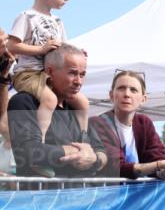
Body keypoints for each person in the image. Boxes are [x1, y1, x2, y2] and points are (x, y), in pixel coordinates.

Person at [7, 0, 88, 156]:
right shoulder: (26, 17)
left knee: (83, 102)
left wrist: (78, 53)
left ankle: (83, 139)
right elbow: (12, 46)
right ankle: (40, 143)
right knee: (50, 99)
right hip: (28, 74)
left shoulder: (57, 21)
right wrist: (41, 49)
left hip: (48, 74)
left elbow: (64, 50)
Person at [7, 43, 110, 177]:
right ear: (50, 71)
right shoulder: (24, 102)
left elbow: (102, 152)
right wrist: (76, 152)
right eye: (72, 73)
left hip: (82, 196)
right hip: (41, 196)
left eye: (82, 74)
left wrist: (94, 159)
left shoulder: (77, 109)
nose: (78, 81)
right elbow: (29, 152)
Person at [91, 70, 165, 182]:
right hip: (109, 196)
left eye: (133, 90)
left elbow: (157, 155)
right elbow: (116, 166)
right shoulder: (97, 123)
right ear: (111, 95)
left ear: (143, 99)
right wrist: (160, 165)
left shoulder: (144, 123)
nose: (127, 94)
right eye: (121, 88)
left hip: (139, 197)